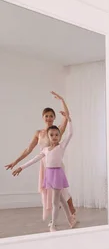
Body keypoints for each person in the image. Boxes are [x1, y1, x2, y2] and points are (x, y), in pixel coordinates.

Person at [5, 91, 77, 222]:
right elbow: (29, 149)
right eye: (46, 116)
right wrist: (15, 162)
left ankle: (72, 213)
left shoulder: (58, 131)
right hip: (44, 164)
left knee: (63, 192)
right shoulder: (39, 133)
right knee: (48, 192)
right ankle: (54, 216)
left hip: (57, 165)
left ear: (54, 118)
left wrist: (61, 100)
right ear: (43, 117)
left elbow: (67, 117)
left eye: (51, 116)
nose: (49, 118)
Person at [12, 117, 76, 232]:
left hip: (57, 174)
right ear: (48, 136)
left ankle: (53, 225)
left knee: (55, 202)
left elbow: (70, 133)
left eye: (57, 134)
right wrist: (21, 167)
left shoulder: (61, 146)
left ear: (59, 136)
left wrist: (69, 120)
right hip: (49, 175)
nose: (54, 137)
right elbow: (34, 159)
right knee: (61, 199)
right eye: (52, 135)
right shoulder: (45, 150)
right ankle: (70, 218)